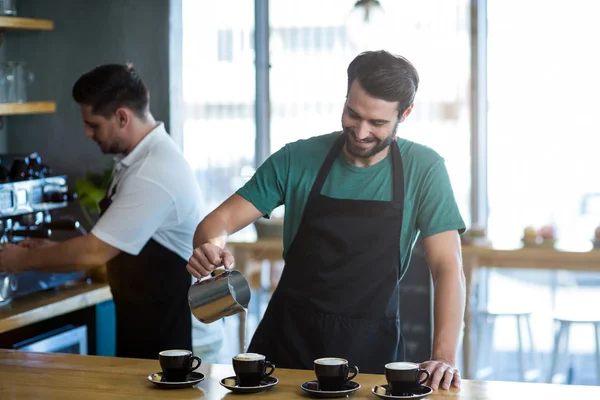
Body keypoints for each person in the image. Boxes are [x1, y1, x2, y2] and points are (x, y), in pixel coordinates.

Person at [186, 50, 466, 390]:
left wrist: (444, 356)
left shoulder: (425, 169)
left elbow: (447, 267)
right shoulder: (297, 158)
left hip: (371, 356)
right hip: (287, 348)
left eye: (377, 123)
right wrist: (210, 248)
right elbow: (219, 221)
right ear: (346, 99)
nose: (361, 132)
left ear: (404, 114)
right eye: (353, 114)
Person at [0, 63, 222, 360]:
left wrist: (23, 260)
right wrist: (54, 251)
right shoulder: (137, 160)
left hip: (182, 343)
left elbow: (94, 251)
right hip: (152, 329)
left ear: (121, 117)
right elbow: (116, 245)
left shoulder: (153, 171)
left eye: (93, 124)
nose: (86, 133)